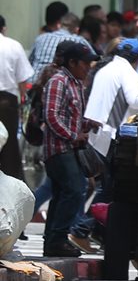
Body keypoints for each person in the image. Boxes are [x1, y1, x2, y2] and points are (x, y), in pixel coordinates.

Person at [42, 41, 100, 257]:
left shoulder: (76, 84)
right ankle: (58, 238)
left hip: (69, 148)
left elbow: (71, 117)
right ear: (72, 62)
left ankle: (53, 242)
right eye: (84, 63)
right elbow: (51, 115)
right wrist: (73, 136)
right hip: (58, 149)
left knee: (61, 193)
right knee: (76, 189)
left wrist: (87, 125)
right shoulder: (59, 81)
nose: (88, 67)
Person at [83, 38, 138, 158]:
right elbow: (136, 101)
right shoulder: (127, 72)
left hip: (92, 132)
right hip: (109, 136)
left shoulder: (105, 69)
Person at [0, 14, 33, 181]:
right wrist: (23, 103)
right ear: (3, 28)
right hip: (7, 103)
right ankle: (11, 184)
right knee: (9, 146)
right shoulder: (13, 46)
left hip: (8, 101)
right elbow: (23, 80)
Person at [29, 1, 74, 77]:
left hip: (33, 82)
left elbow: (30, 62)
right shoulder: (72, 39)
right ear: (61, 22)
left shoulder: (40, 38)